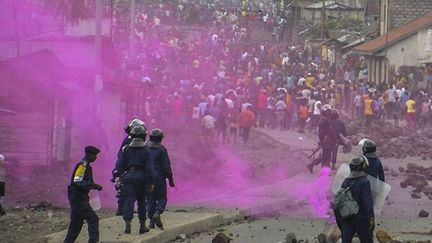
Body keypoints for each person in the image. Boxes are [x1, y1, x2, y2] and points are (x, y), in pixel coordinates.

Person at [114, 125, 155, 234]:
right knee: (141, 201)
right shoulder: (146, 150)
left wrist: (116, 176)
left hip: (128, 178)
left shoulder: (126, 149)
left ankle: (128, 224)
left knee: (128, 200)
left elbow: (119, 165)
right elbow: (150, 168)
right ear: (144, 136)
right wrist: (151, 182)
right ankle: (142, 225)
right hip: (142, 179)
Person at [64, 146, 103, 243]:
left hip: (78, 197)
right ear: (89, 155)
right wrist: (94, 185)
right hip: (78, 197)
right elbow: (77, 181)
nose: (96, 157)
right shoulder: (83, 165)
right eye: (94, 155)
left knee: (76, 224)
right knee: (93, 219)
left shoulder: (86, 165)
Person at [335, 155, 375, 243]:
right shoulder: (364, 182)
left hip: (347, 217)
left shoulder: (346, 181)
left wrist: (341, 221)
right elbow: (367, 203)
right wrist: (371, 218)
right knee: (367, 240)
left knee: (345, 240)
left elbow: (339, 201)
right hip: (361, 218)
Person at [112, 118, 146, 216]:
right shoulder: (130, 141)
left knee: (125, 188)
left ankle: (123, 208)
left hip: (126, 166)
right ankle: (123, 209)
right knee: (127, 189)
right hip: (128, 167)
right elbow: (123, 154)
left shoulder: (129, 139)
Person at [146, 129, 175, 230]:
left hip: (148, 177)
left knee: (150, 199)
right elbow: (166, 166)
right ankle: (158, 212)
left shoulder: (145, 148)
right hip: (159, 177)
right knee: (162, 197)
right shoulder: (162, 150)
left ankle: (151, 221)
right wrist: (170, 179)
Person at [307, 104, 334, 173]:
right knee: (326, 156)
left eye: (329, 111)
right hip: (326, 141)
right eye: (328, 111)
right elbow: (322, 131)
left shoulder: (325, 119)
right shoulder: (324, 119)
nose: (329, 113)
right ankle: (313, 165)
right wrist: (324, 140)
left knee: (325, 156)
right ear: (324, 112)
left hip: (327, 140)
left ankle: (314, 166)